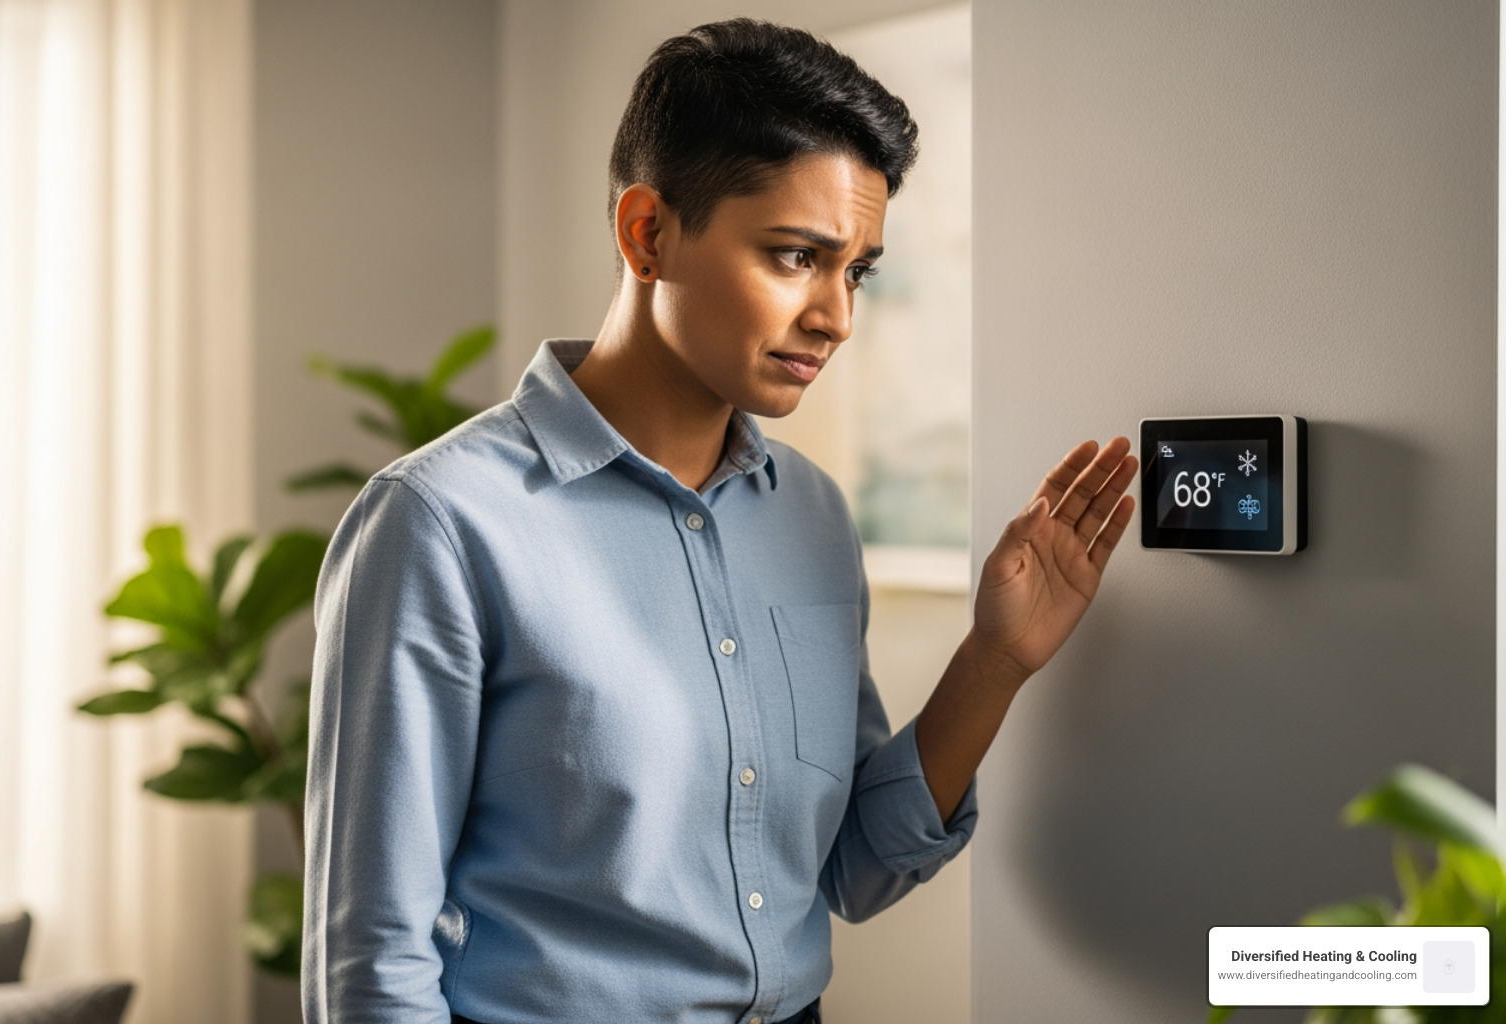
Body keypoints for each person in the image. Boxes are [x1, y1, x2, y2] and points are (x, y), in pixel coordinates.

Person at [301, 17, 1137, 1024]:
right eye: (796, 257)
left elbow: (856, 869)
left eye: (856, 270)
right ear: (648, 232)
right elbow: (373, 957)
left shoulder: (813, 516)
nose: (837, 314)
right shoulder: (438, 524)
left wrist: (994, 660)